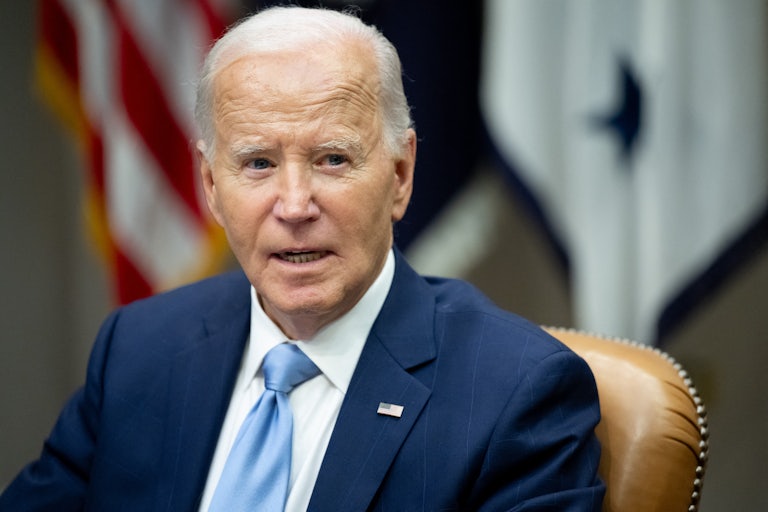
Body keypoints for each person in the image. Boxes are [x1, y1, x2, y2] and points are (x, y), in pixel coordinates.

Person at [0, 6, 604, 511]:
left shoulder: (518, 395)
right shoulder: (140, 347)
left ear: (400, 175)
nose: (293, 205)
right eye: (258, 163)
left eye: (333, 159)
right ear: (211, 185)